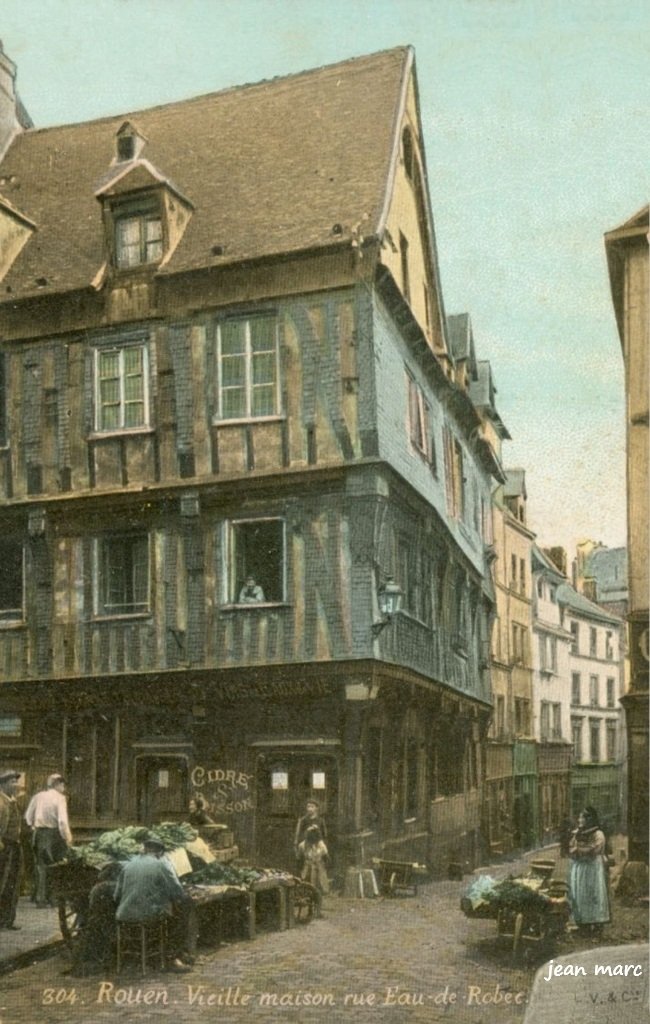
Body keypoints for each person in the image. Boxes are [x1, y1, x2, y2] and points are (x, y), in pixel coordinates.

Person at [114, 835, 194, 973]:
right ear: (160, 852)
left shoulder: (128, 865)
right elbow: (177, 892)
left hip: (123, 915)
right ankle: (172, 957)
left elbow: (116, 895)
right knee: (182, 909)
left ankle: (144, 955)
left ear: (144, 849)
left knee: (165, 908)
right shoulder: (161, 865)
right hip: (147, 915)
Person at [24, 773, 72, 907]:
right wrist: (68, 838)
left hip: (39, 834)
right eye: (62, 784)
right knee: (55, 866)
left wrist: (34, 827)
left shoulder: (38, 796)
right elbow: (62, 821)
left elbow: (28, 816)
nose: (64, 787)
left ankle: (39, 898)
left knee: (40, 866)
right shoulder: (60, 798)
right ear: (57, 785)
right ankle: (53, 898)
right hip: (54, 835)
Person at [568, 805, 611, 938]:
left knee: (593, 894)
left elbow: (595, 850)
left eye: (583, 817)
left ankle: (597, 927)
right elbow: (571, 847)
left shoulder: (598, 834)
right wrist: (574, 851)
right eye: (580, 817)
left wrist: (579, 850)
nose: (580, 819)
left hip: (592, 869)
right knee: (579, 895)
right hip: (580, 868)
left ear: (590, 819)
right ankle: (583, 925)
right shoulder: (577, 833)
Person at [0, 769, 23, 930]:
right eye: (12, 782)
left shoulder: (12, 801)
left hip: (14, 846)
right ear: (3, 784)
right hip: (4, 847)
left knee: (12, 884)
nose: (15, 785)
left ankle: (7, 920)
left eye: (16, 781)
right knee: (3, 883)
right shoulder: (1, 802)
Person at [296, 824, 329, 912]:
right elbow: (299, 859)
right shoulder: (302, 845)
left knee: (319, 889)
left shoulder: (321, 845)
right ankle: (310, 909)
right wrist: (301, 870)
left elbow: (326, 857)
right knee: (309, 889)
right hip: (307, 869)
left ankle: (318, 910)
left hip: (319, 868)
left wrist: (323, 868)